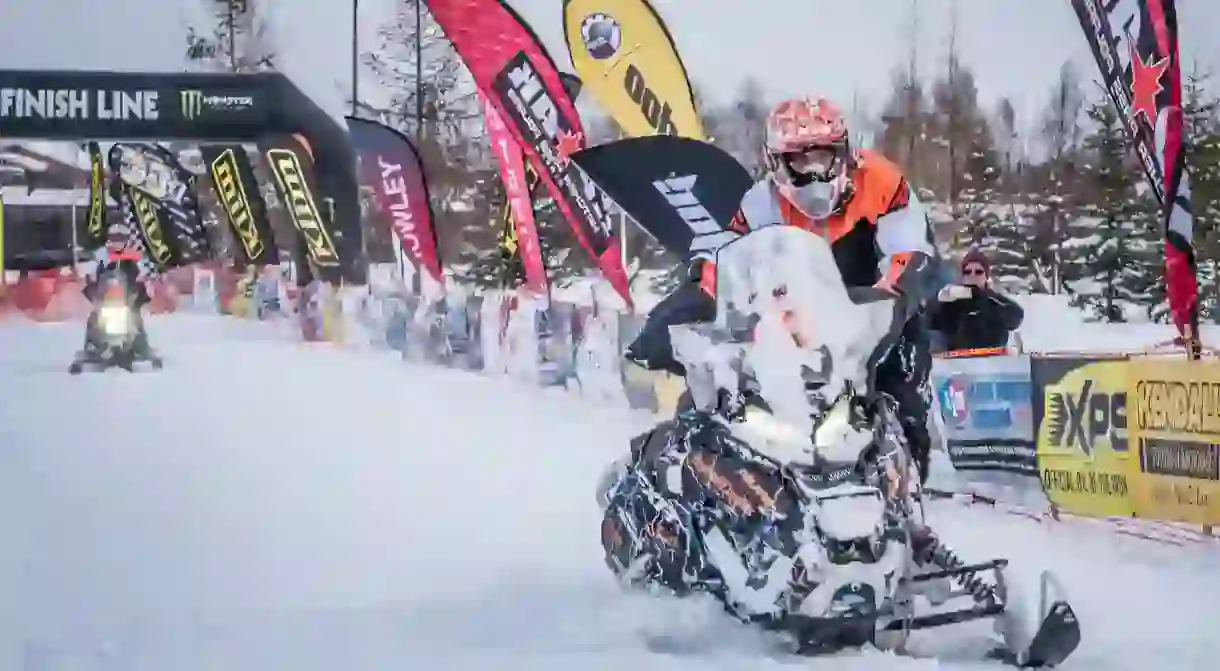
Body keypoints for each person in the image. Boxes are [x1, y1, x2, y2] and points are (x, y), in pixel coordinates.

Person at [625, 95, 940, 482]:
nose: (814, 174)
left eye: (823, 158)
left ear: (843, 152)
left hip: (874, 300)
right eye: (800, 162)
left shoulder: (883, 182)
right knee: (732, 390)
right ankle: (704, 480)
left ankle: (907, 494)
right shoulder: (762, 200)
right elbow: (724, 251)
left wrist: (892, 286)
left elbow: (909, 247)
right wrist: (695, 295)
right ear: (777, 162)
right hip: (802, 303)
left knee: (899, 384)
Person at [929, 249, 1024, 351]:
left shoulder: (993, 299)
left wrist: (983, 297)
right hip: (957, 361)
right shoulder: (952, 300)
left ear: (986, 276)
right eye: (967, 272)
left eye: (978, 272)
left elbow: (1016, 316)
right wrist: (938, 301)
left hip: (993, 359)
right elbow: (930, 323)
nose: (972, 276)